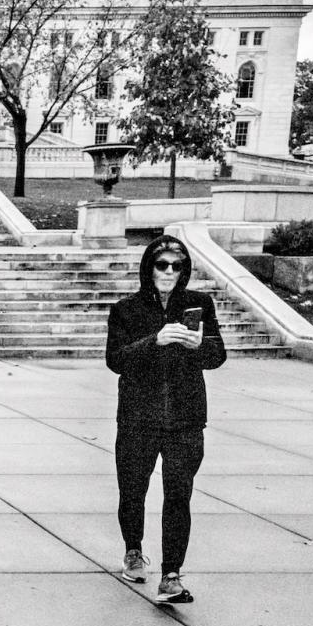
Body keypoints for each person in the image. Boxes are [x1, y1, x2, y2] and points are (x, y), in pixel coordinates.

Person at [106, 234, 227, 604]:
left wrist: (198, 346)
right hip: (138, 419)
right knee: (133, 491)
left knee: (178, 495)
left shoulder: (199, 304)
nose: (170, 272)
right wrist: (154, 341)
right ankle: (133, 550)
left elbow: (217, 355)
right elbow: (115, 360)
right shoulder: (126, 309)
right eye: (162, 265)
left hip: (185, 419)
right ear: (149, 268)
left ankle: (171, 576)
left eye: (177, 266)